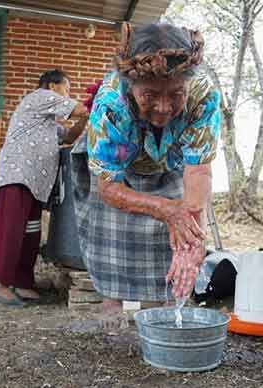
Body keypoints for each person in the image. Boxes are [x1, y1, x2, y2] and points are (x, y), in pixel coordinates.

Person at [71, 22, 221, 315]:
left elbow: (199, 171)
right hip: (117, 173)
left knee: (176, 238)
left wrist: (192, 235)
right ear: (132, 85)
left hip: (170, 163)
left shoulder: (204, 95)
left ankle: (167, 310)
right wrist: (167, 210)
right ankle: (111, 310)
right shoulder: (111, 104)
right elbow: (109, 188)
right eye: (150, 96)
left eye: (177, 94)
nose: (164, 107)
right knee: (112, 241)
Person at [0, 69, 89, 306]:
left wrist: (84, 119)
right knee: (12, 230)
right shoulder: (39, 97)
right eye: (66, 89)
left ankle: (22, 282)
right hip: (19, 177)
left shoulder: (47, 122)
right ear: (51, 86)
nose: (67, 95)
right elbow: (79, 108)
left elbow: (68, 137)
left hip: (35, 184)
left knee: (29, 234)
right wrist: (98, 102)